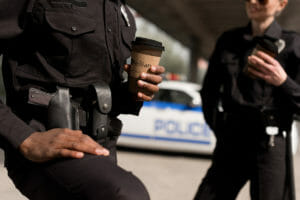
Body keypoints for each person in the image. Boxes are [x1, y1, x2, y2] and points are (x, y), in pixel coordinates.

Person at [0, 0, 165, 199]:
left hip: (100, 148)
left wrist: (135, 91)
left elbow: (98, 93)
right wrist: (25, 139)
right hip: (46, 142)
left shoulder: (123, 14)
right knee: (127, 195)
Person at [194, 0, 300, 199]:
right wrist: (220, 128)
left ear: (282, 4)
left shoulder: (294, 45)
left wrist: (283, 80)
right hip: (232, 141)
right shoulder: (228, 40)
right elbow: (209, 91)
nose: (253, 2)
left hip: (270, 145)